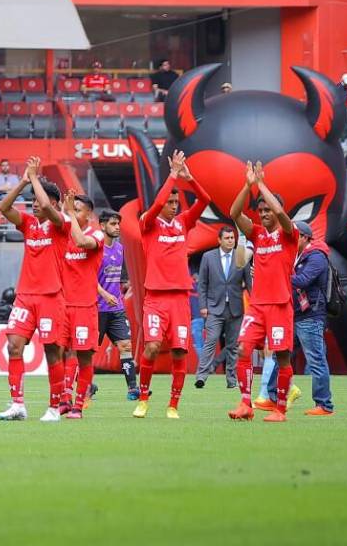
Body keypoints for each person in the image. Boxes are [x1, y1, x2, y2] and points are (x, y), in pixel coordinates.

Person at [133, 150, 210, 419]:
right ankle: (143, 399)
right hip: (155, 298)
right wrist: (172, 176)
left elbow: (205, 200)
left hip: (179, 299)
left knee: (179, 351)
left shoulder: (183, 223)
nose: (174, 205)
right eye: (170, 201)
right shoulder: (147, 223)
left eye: (177, 201)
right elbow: (156, 203)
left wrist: (189, 179)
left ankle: (173, 405)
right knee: (152, 347)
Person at [0, 157, 68, 422]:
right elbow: (3, 207)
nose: (35, 204)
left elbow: (47, 206)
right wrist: (24, 182)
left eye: (37, 200)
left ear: (55, 203)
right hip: (25, 296)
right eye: (33, 201)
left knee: (52, 351)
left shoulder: (62, 223)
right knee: (13, 346)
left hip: (51, 296)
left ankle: (54, 407)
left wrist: (36, 177)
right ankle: (18, 405)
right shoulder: (29, 223)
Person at [228, 161, 299, 422]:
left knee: (281, 357)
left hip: (280, 305)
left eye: (267, 209)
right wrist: (248, 186)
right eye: (260, 210)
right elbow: (234, 213)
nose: (264, 213)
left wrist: (261, 184)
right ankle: (246, 404)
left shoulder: (290, 234)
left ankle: (280, 410)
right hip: (257, 306)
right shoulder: (257, 235)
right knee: (243, 349)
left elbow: (280, 211)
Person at [57, 193, 104, 419]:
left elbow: (82, 242)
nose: (73, 212)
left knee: (84, 355)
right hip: (62, 304)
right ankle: (64, 399)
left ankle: (78, 405)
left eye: (78, 209)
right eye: (72, 208)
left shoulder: (96, 234)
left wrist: (68, 214)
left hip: (85, 305)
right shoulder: (64, 233)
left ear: (89, 214)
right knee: (60, 352)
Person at [280, 221, 334, 415]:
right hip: (296, 315)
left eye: (293, 236)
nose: (289, 240)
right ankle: (273, 396)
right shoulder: (300, 255)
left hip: (310, 315)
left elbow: (302, 281)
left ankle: (324, 405)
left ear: (304, 237)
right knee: (280, 354)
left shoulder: (317, 256)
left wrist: (277, 273)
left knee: (316, 360)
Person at [194, 225, 249, 389]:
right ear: (219, 240)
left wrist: (255, 306)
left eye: (232, 238)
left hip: (236, 308)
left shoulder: (241, 255)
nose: (230, 241)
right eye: (227, 238)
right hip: (213, 307)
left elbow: (249, 283)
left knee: (233, 345)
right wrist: (203, 306)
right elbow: (202, 284)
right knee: (211, 340)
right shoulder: (208, 257)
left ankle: (231, 380)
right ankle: (201, 376)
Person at [94, 211, 138, 399]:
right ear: (102, 226)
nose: (117, 227)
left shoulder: (120, 249)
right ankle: (84, 386)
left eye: (118, 224)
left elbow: (119, 277)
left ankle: (132, 389)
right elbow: (88, 277)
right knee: (87, 352)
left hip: (116, 308)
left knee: (125, 346)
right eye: (113, 224)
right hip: (96, 308)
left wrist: (126, 286)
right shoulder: (96, 248)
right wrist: (104, 294)